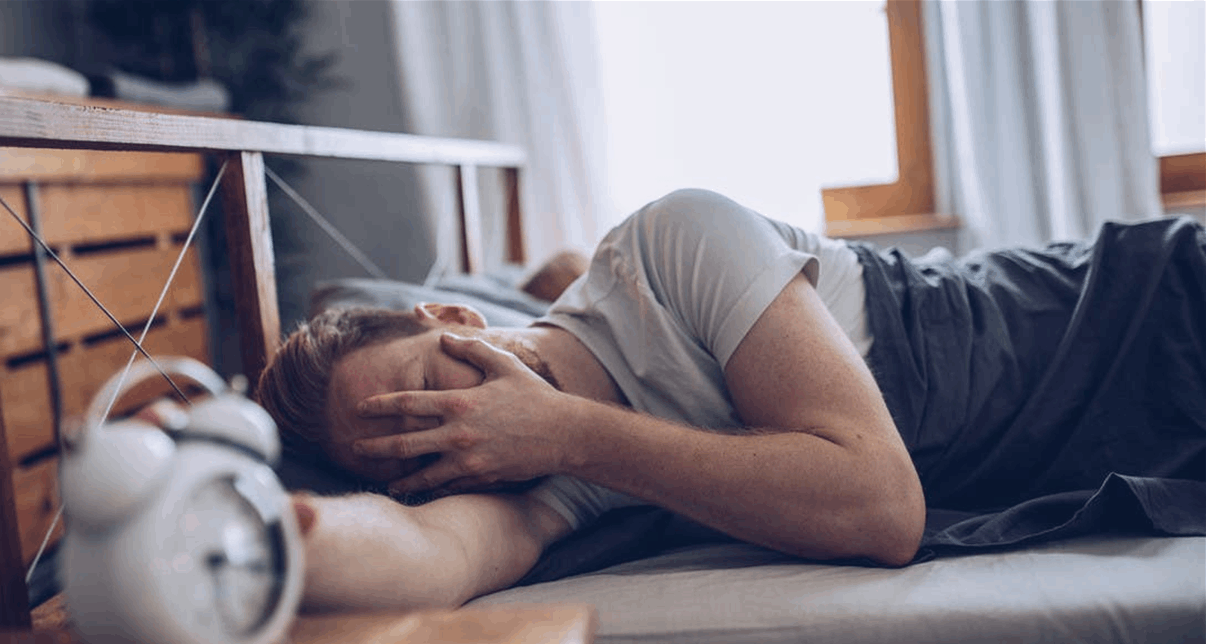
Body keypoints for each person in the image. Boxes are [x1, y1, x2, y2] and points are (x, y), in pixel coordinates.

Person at [255, 189, 1206, 612]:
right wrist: (267, 530)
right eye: (412, 452)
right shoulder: (531, 478)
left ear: (457, 315)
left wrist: (573, 433)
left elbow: (880, 503)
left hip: (1136, 311)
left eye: (428, 389)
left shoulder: (668, 247)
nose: (452, 429)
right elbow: (427, 556)